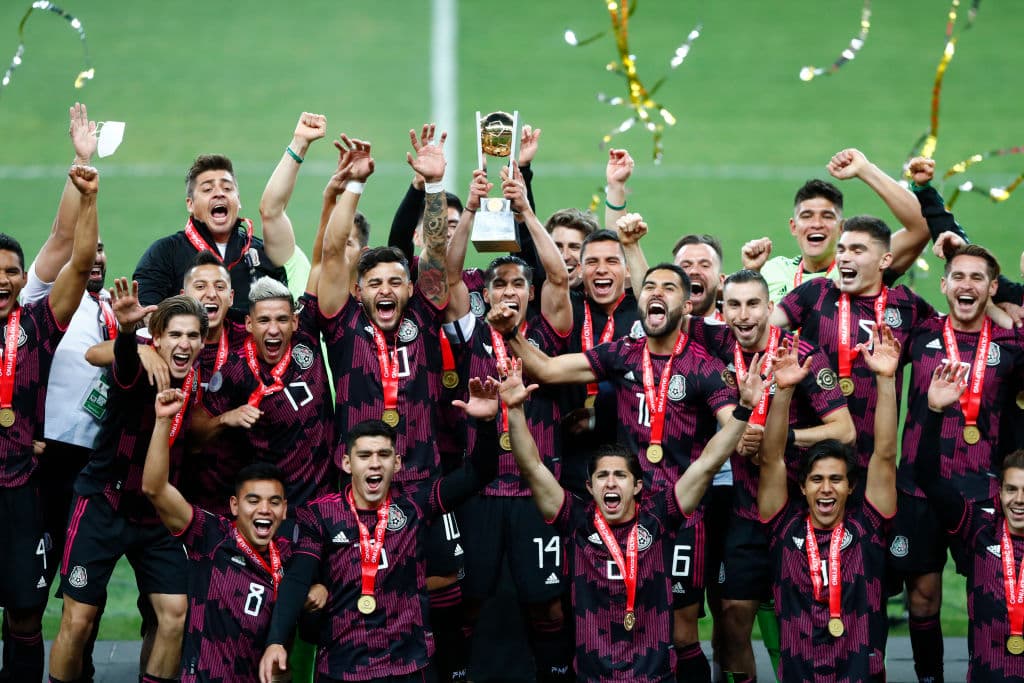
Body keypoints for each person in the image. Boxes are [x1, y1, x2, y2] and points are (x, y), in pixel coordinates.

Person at [489, 263, 739, 683]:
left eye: (668, 288)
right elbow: (548, 370)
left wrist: (745, 415)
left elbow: (732, 426)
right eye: (649, 287)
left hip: (678, 513)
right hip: (620, 508)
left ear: (687, 303)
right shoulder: (622, 352)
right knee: (602, 616)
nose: (656, 293)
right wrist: (513, 335)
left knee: (679, 632)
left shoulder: (703, 367)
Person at [503, 352, 763, 682]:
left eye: (620, 476)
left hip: (653, 676)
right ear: (589, 486)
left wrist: (743, 410)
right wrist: (513, 410)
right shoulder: (575, 518)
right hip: (593, 677)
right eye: (602, 476)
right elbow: (532, 466)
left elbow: (707, 463)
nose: (611, 482)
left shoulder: (660, 515)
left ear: (638, 485)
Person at [257, 383, 500, 683]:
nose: (374, 463)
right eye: (364, 455)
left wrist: (488, 425)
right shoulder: (319, 515)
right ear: (346, 463)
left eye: (384, 454)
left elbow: (478, 474)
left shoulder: (416, 502)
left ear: (397, 463)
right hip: (342, 669)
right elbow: (297, 578)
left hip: (411, 667)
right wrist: (276, 641)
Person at [443, 159, 573, 682]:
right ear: (487, 293)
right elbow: (447, 273)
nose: (511, 291)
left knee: (548, 606)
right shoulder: (470, 329)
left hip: (537, 493)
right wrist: (469, 208)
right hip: (480, 491)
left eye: (520, 283)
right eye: (500, 284)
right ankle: (456, 675)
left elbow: (559, 273)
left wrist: (524, 208)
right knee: (467, 601)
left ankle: (557, 674)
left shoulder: (549, 332)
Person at [49, 286, 207, 683]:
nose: (184, 343)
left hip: (156, 515)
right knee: (78, 620)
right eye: (174, 335)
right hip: (104, 502)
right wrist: (125, 335)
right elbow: (117, 359)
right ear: (157, 338)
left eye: (192, 335)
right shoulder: (139, 366)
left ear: (203, 341)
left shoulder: (198, 376)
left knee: (174, 614)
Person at [707, 269, 855, 682]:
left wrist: (780, 438)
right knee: (733, 615)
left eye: (753, 304)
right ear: (722, 312)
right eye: (733, 305)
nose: (743, 315)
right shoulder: (714, 344)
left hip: (797, 508)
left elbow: (844, 430)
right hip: (744, 508)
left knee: (806, 619)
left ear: (770, 309)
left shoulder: (802, 353)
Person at [891, 245, 1024, 682]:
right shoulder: (920, 333)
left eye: (978, 278)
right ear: (944, 284)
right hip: (919, 489)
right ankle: (930, 677)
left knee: (987, 596)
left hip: (982, 493)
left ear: (991, 288)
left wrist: (1012, 306)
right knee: (923, 599)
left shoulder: (1011, 344)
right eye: (959, 277)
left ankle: (979, 673)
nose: (967, 285)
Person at [757, 324, 900, 682]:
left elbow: (884, 454)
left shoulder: (867, 525)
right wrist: (785, 391)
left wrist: (886, 381)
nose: (826, 489)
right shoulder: (783, 527)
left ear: (851, 487)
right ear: (802, 488)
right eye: (817, 480)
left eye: (835, 479)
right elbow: (772, 457)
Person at [0, 162, 98, 682]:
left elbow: (77, 262)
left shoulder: (36, 324)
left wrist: (87, 197)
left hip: (20, 490)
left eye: (13, 271)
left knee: (24, 615)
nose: (3, 279)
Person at [142, 387, 296, 682]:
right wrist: (163, 422)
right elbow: (155, 488)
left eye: (274, 502)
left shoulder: (292, 557)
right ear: (234, 505)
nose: (264, 510)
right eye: (253, 501)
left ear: (285, 509)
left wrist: (317, 591)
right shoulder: (210, 535)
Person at [771, 216, 935, 467]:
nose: (845, 257)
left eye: (858, 250)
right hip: (809, 462)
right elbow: (762, 329)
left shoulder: (908, 307)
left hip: (874, 465)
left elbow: (956, 331)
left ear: (885, 260)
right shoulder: (817, 292)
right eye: (842, 249)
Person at [132, 118, 310, 317]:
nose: (219, 193)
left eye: (227, 188)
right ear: (190, 204)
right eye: (207, 189)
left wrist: (299, 144)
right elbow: (146, 318)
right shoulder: (164, 254)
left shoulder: (261, 254)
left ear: (238, 201)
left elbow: (273, 211)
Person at [916, 361, 1024, 682]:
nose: (1019, 499)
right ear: (999, 492)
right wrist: (935, 412)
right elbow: (928, 477)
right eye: (1011, 489)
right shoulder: (979, 529)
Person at [200, 276, 335, 510]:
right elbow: (194, 432)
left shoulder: (307, 333)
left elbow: (324, 262)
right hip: (277, 510)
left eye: (282, 319)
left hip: (327, 503)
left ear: (294, 321)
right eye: (264, 320)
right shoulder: (234, 369)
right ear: (249, 324)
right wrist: (224, 419)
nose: (273, 329)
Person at [742, 150, 933, 303]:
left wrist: (865, 170)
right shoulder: (771, 271)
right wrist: (751, 272)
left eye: (827, 216)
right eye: (807, 216)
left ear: (842, 228)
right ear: (794, 227)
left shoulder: (862, 265)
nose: (816, 224)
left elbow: (921, 227)